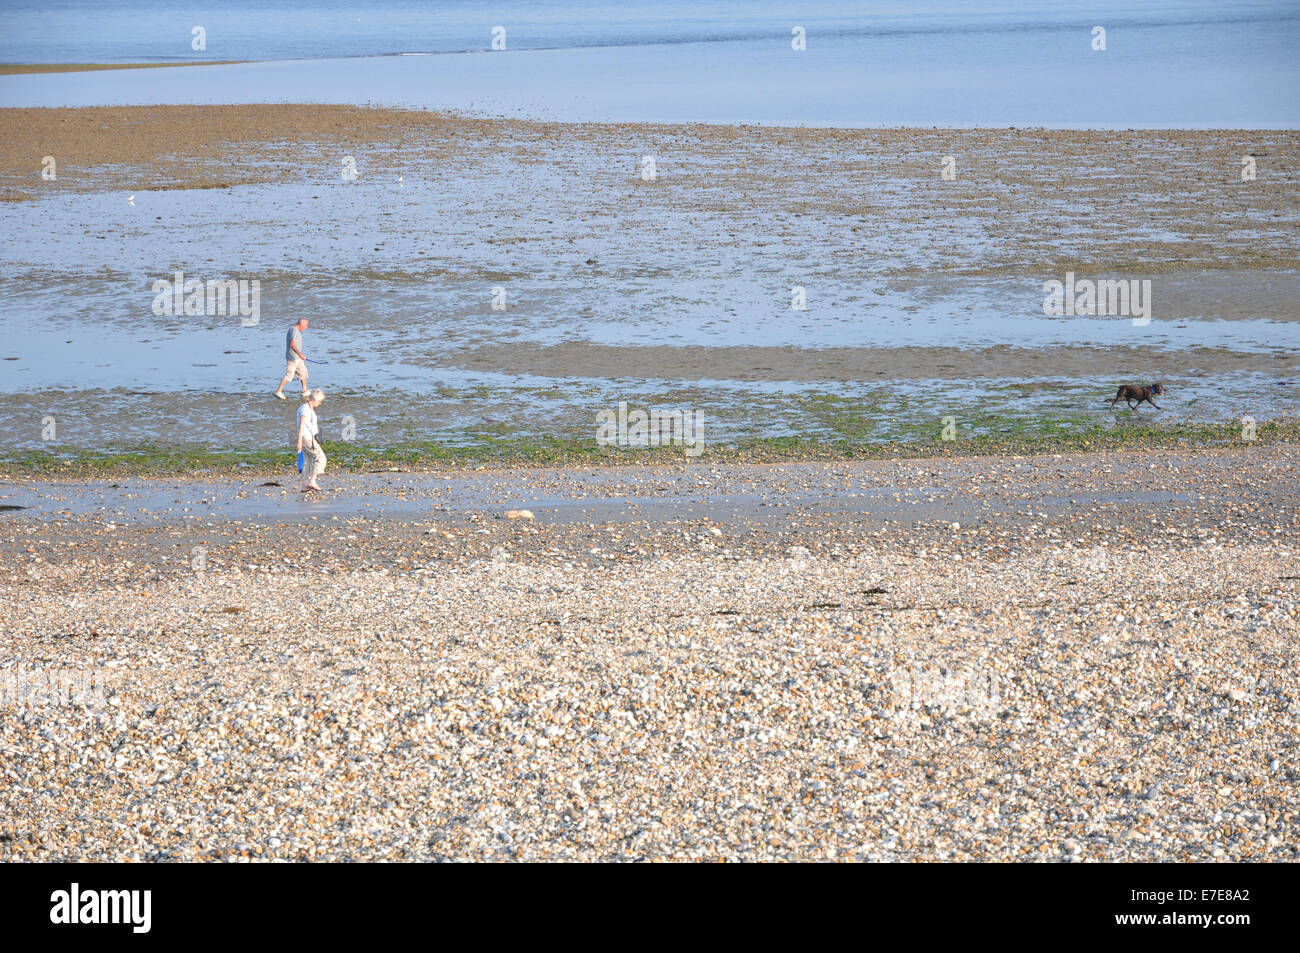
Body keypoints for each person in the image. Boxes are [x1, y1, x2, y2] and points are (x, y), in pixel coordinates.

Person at [297, 388, 327, 492]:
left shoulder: (308, 408)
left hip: (309, 437)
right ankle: (312, 481)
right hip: (306, 438)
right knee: (320, 457)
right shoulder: (305, 409)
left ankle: (305, 485)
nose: (320, 403)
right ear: (315, 399)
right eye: (320, 401)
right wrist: (299, 441)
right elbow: (301, 425)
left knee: (308, 460)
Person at [275, 318, 310, 399]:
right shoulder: (294, 330)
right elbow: (292, 345)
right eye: (305, 326)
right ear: (301, 324)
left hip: (298, 358)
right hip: (293, 357)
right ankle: (279, 391)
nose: (306, 328)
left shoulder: (292, 329)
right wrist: (300, 354)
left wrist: (300, 356)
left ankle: (305, 391)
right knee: (289, 375)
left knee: (303, 372)